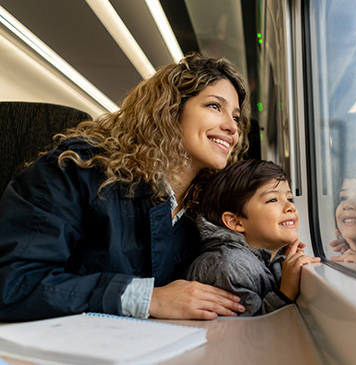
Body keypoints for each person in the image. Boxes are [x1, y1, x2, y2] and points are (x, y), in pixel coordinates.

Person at [0, 52, 251, 321]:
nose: (231, 127)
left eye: (236, 117)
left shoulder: (200, 211)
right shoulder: (78, 170)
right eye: (215, 106)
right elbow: (13, 282)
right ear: (169, 110)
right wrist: (148, 298)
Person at [186, 159, 321, 316]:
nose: (291, 207)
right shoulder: (228, 267)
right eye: (272, 200)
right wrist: (285, 293)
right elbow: (247, 332)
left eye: (289, 198)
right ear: (235, 222)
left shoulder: (270, 259)